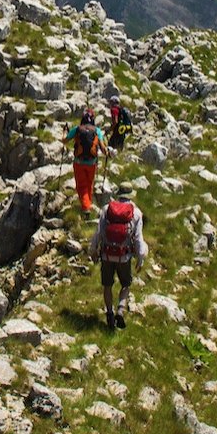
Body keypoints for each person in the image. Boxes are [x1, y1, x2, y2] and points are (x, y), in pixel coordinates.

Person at [89, 182, 148, 329]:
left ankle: (109, 313)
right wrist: (140, 258)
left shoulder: (106, 209)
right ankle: (120, 310)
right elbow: (138, 237)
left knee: (107, 285)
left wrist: (93, 250)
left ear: (118, 194)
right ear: (130, 195)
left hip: (107, 255)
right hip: (124, 256)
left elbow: (99, 232)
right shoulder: (136, 213)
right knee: (126, 284)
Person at [62, 109, 108, 211]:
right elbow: (103, 149)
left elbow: (64, 140)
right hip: (92, 163)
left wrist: (65, 132)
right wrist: (107, 152)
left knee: (81, 186)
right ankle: (88, 204)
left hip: (79, 162)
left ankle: (86, 208)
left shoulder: (77, 129)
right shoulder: (97, 131)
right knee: (89, 184)